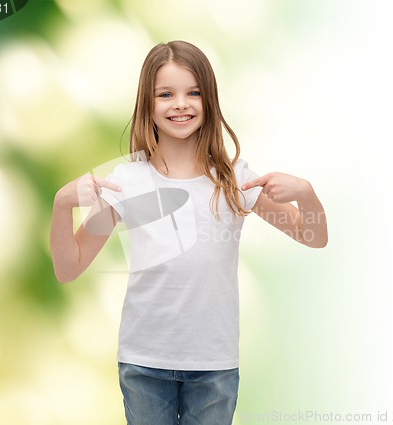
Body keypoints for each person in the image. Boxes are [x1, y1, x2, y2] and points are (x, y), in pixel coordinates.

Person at [50, 40, 327, 425]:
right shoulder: (126, 182)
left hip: (214, 364)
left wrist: (307, 196)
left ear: (209, 101)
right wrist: (62, 206)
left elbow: (311, 236)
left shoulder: (235, 180)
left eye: (193, 92)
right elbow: (69, 267)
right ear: (148, 105)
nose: (180, 104)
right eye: (166, 94)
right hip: (144, 362)